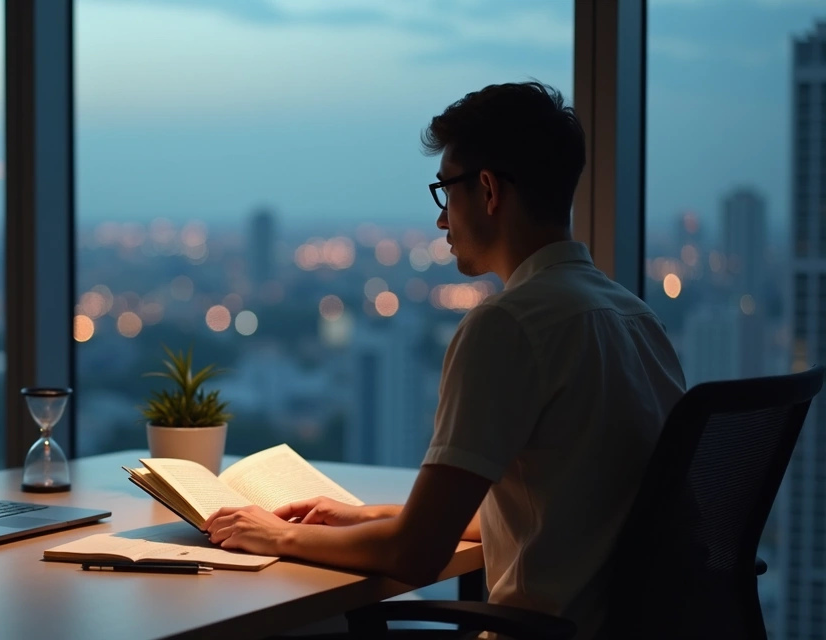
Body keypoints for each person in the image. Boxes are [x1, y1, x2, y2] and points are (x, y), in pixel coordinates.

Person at [203, 82, 686, 639]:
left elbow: (415, 556)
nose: (441, 221)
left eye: (444, 192)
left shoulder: (508, 326)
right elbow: (572, 515)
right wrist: (369, 514)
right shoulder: (633, 318)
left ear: (487, 190)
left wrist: (275, 534)